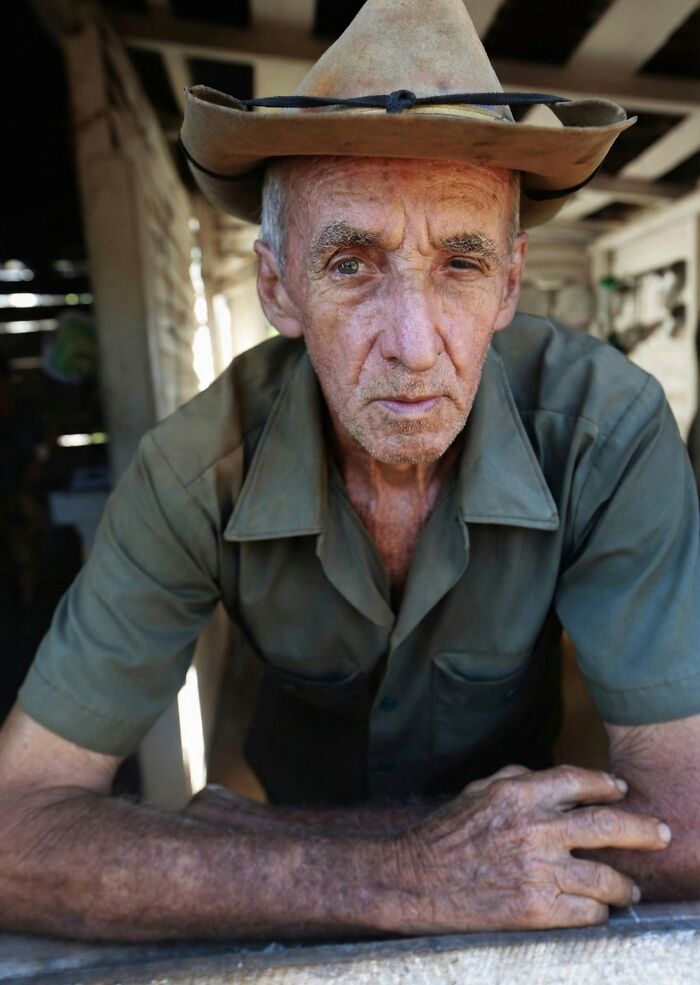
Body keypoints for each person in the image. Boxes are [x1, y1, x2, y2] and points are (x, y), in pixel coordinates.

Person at [1, 0, 699, 942]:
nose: (413, 345)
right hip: (342, 863)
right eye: (351, 264)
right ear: (278, 287)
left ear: (510, 283)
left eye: (460, 264)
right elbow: (14, 831)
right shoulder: (191, 471)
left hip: (473, 878)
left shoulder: (606, 432)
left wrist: (247, 856)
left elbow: (686, 818)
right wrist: (411, 871)